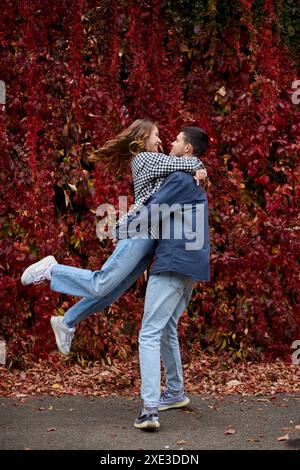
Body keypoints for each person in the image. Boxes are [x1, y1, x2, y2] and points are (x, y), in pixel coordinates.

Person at [21, 119, 207, 355]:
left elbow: (158, 195)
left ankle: (66, 322)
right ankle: (51, 270)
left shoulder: (159, 164)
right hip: (140, 234)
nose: (161, 139)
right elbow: (185, 163)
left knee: (109, 293)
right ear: (142, 139)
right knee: (101, 282)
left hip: (148, 241)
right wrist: (200, 168)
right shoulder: (145, 159)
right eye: (156, 135)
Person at [116, 130, 210, 430]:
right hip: (191, 268)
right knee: (167, 326)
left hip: (172, 263)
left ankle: (149, 410)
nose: (171, 143)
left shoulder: (179, 180)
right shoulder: (191, 176)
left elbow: (150, 210)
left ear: (188, 148)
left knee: (148, 333)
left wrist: (117, 229)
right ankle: (175, 392)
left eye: (177, 140)